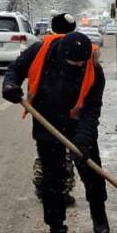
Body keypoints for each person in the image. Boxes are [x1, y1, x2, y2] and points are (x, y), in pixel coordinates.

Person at [2, 30, 109, 233]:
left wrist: (82, 142)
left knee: (92, 171)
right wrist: (10, 85)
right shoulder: (39, 51)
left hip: (77, 124)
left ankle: (99, 213)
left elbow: (92, 109)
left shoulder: (94, 70)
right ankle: (57, 231)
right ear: (61, 55)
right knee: (53, 180)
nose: (77, 66)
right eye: (73, 63)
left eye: (81, 63)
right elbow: (15, 70)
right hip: (47, 122)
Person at [32, 13, 79, 204]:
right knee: (64, 155)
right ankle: (57, 191)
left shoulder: (41, 47)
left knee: (49, 155)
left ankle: (48, 188)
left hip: (46, 110)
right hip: (65, 112)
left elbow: (17, 68)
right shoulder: (75, 48)